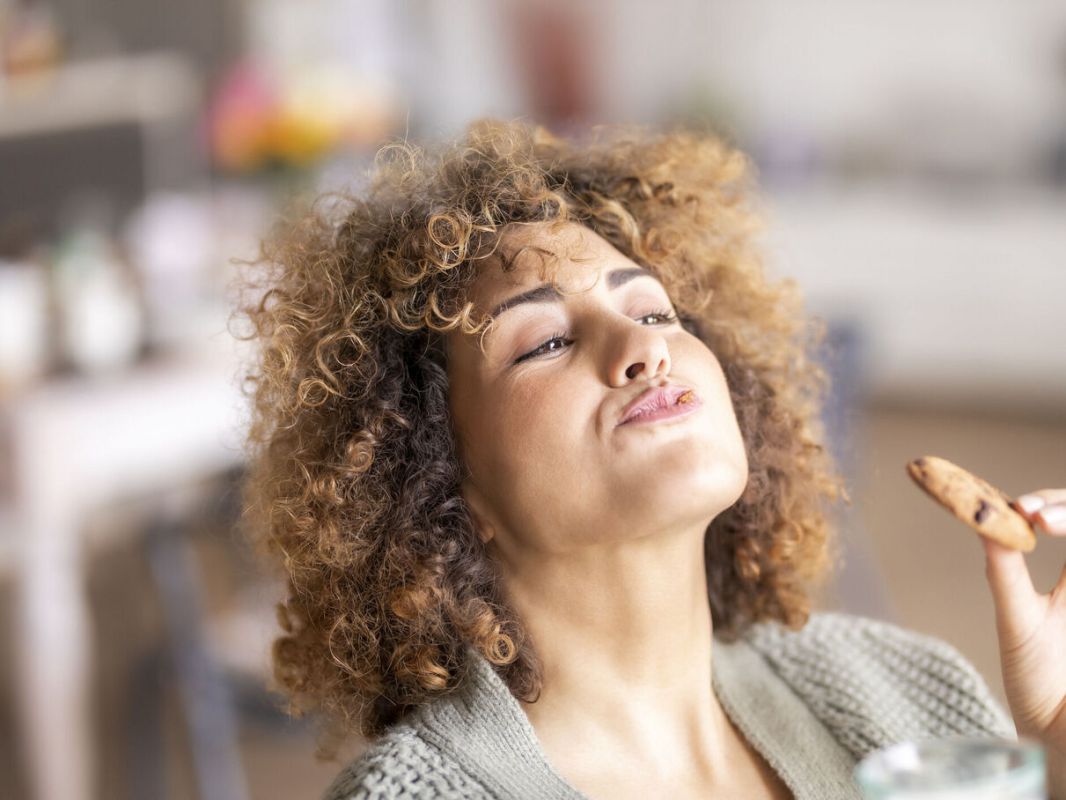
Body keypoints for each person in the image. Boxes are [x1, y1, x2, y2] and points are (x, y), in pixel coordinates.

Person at [236, 118, 1066, 799]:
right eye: (548, 341)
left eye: (659, 312)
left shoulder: (900, 686)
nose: (641, 345)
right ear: (437, 478)